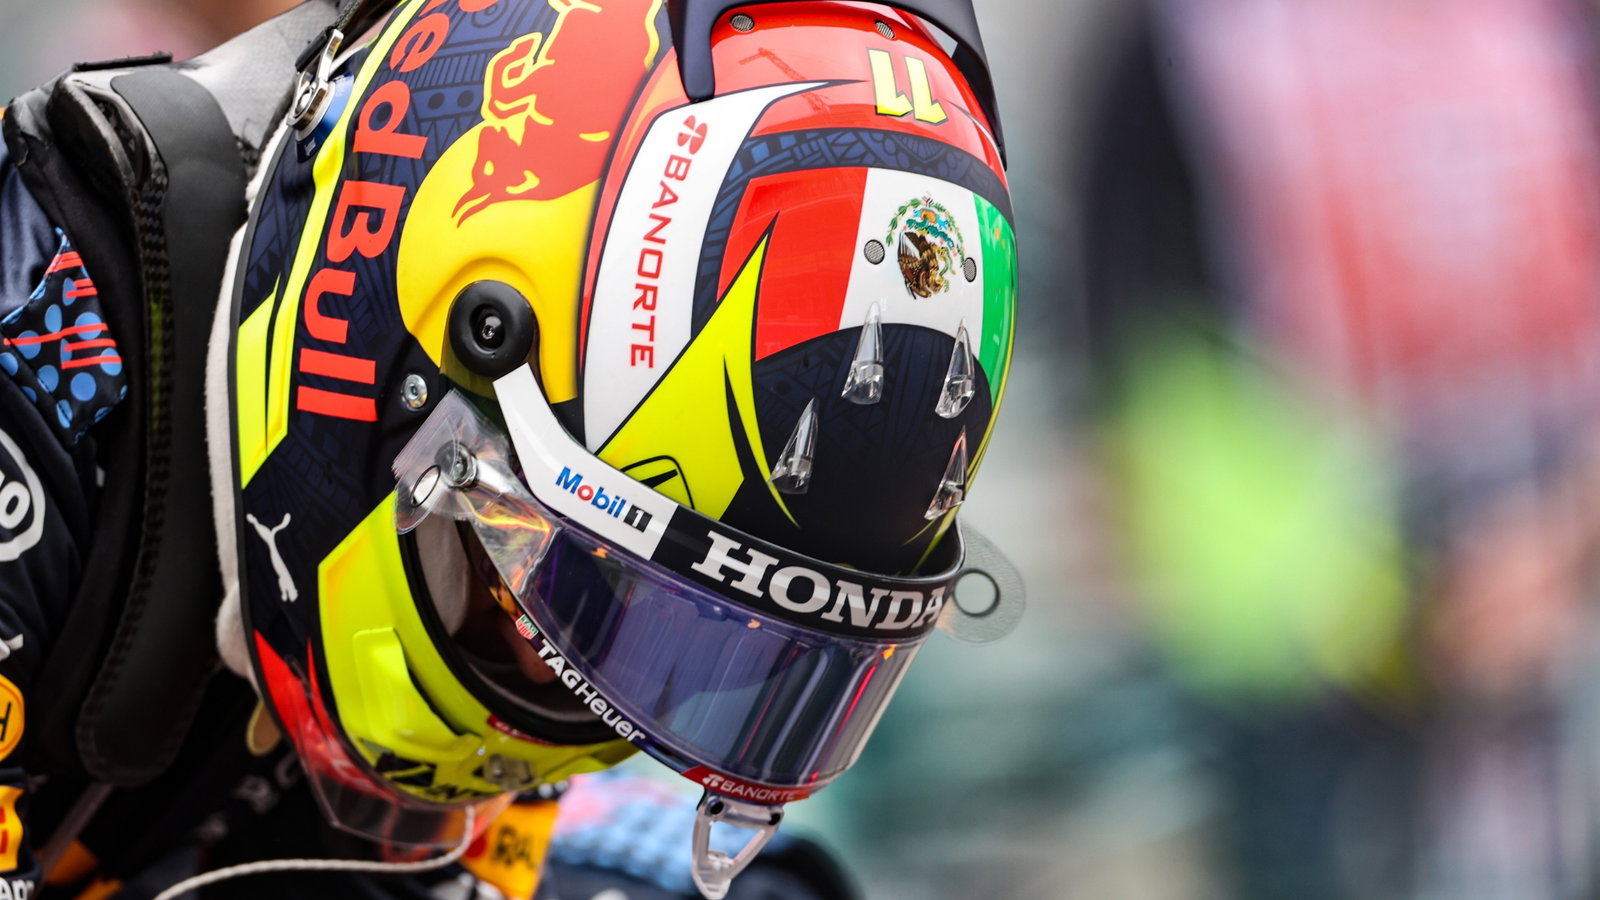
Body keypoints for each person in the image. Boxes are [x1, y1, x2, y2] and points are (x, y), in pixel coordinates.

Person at [0, 0, 1023, 898]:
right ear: (416, 353)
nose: (581, 705)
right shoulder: (37, 353)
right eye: (564, 598)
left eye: (684, 656)